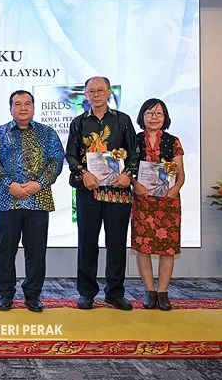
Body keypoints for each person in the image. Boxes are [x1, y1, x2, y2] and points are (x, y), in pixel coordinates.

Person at [0, 90, 64, 312]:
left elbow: (56, 161)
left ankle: (33, 295)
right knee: (4, 251)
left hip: (38, 200)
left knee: (36, 252)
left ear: (33, 107)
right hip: (6, 200)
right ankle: (5, 294)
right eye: (17, 104)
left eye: (27, 103)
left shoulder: (47, 133)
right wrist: (9, 184)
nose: (23, 108)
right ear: (10, 108)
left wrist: (39, 183)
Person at [65, 76, 139, 311]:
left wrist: (128, 174)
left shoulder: (123, 120)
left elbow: (135, 152)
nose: (96, 95)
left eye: (100, 90)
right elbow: (71, 155)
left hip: (118, 191)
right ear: (86, 95)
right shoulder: (78, 123)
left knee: (116, 243)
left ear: (109, 93)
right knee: (87, 243)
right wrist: (83, 173)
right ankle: (86, 293)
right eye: (91, 91)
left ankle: (115, 293)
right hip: (89, 190)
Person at [131, 99, 185, 311]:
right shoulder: (134, 139)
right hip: (142, 200)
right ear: (142, 116)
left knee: (167, 248)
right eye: (149, 113)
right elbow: (128, 169)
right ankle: (149, 291)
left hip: (168, 201)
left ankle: (162, 292)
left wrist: (176, 188)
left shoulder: (173, 141)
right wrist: (135, 184)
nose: (154, 117)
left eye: (159, 114)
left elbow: (180, 174)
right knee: (143, 247)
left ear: (165, 117)